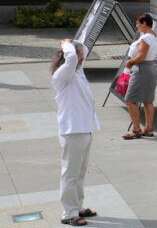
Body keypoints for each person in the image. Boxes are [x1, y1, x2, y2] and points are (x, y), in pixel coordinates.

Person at [51, 39, 100, 226]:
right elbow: (71, 58)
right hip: (72, 131)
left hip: (84, 129)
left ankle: (78, 206)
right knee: (70, 174)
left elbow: (81, 53)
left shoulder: (78, 71)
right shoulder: (63, 74)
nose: (82, 56)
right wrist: (66, 45)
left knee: (80, 173)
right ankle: (68, 213)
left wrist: (74, 44)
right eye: (79, 54)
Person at [122, 14, 157, 139]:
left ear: (144, 24)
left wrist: (130, 62)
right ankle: (148, 129)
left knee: (130, 100)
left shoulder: (145, 38)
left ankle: (136, 129)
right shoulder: (153, 36)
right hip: (150, 68)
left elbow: (140, 57)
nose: (137, 26)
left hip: (142, 69)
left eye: (138, 23)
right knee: (148, 100)